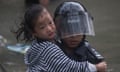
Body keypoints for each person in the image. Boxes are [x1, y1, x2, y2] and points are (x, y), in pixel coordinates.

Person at [14, 4, 106, 72]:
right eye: (42, 27)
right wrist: (96, 68)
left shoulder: (88, 51)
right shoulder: (48, 48)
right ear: (34, 33)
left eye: (50, 23)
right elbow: (69, 67)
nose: (73, 36)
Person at [54, 1, 107, 72]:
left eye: (77, 30)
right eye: (68, 30)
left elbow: (102, 66)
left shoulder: (87, 51)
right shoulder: (52, 50)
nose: (73, 36)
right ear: (59, 29)